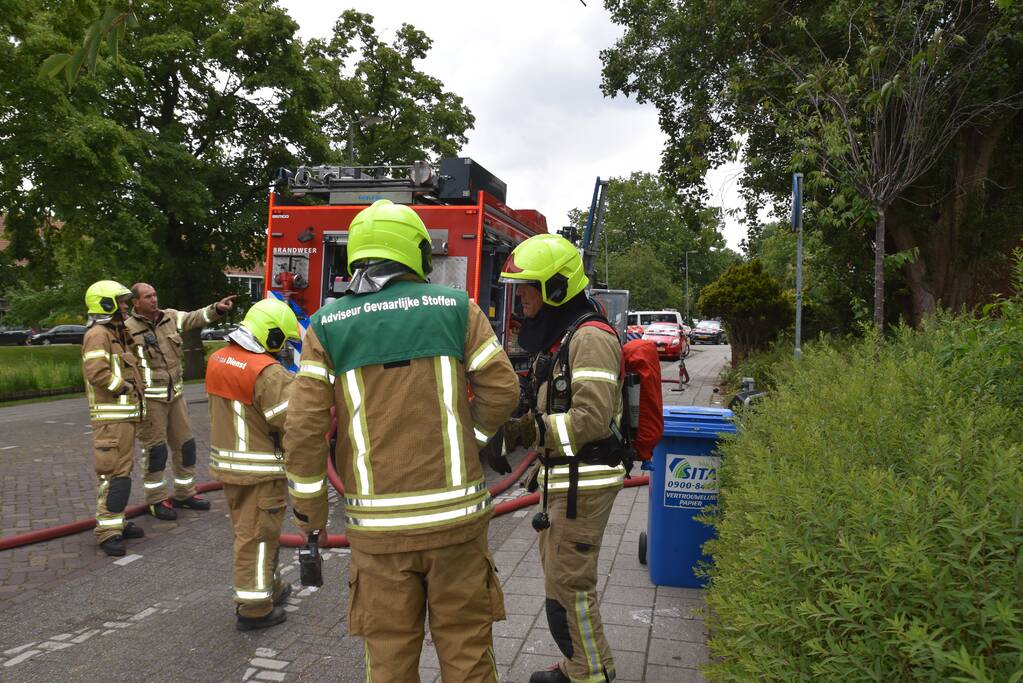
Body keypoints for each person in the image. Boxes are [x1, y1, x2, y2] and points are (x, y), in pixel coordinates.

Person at [284, 199, 519, 681]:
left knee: (389, 658)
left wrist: (311, 515)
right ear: (417, 253)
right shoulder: (457, 308)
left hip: (379, 533)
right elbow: (503, 389)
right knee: (467, 653)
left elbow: (304, 426)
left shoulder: (327, 325)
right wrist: (469, 438)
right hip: (457, 527)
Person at [499, 234, 625, 683]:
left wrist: (530, 431)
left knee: (570, 588)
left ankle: (591, 675)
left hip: (582, 483)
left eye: (529, 287)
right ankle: (581, 666)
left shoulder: (590, 338)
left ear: (556, 288)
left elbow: (590, 419)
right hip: (564, 479)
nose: (522, 299)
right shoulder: (566, 334)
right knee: (560, 583)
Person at [205, 298, 300, 630]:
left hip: (230, 466)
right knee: (257, 537)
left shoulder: (218, 358)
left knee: (254, 532)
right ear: (271, 335)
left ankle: (270, 587)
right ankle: (254, 608)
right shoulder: (268, 373)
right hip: (261, 470)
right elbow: (292, 421)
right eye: (283, 342)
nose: (283, 350)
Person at [126, 283, 236, 520]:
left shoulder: (170, 317)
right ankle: (157, 500)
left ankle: (185, 493)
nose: (154, 300)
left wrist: (217, 308)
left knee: (185, 446)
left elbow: (195, 317)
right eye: (148, 297)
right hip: (150, 402)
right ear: (135, 302)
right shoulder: (128, 329)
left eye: (155, 294)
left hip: (175, 398)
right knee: (155, 452)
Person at [81, 280, 147, 557]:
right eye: (119, 301)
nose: (124, 306)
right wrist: (124, 388)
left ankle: (116, 521)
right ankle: (107, 531)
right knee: (112, 475)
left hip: (124, 417)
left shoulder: (116, 333)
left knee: (122, 473)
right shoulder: (98, 334)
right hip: (111, 419)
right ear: (105, 304)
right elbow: (97, 373)